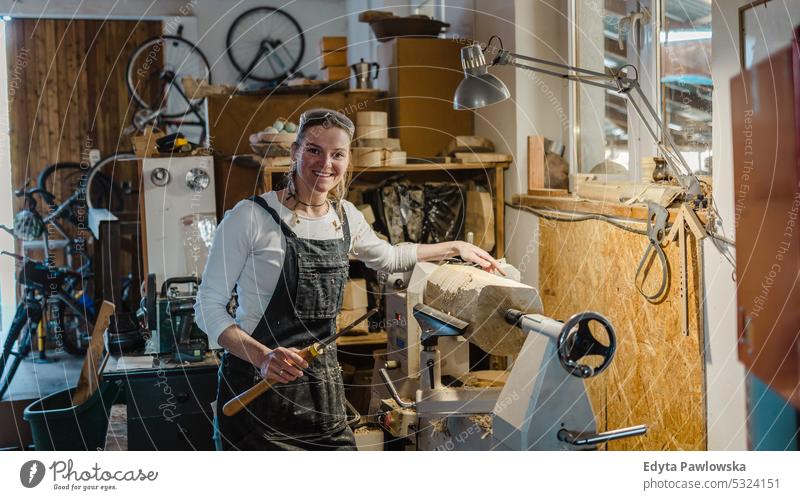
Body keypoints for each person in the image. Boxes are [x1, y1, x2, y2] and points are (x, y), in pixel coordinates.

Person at [195, 108, 502, 451]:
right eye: (314, 150)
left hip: (321, 396)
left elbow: (389, 256)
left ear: (347, 159)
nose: (325, 163)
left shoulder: (344, 218)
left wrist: (456, 246)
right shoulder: (251, 218)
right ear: (295, 152)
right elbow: (207, 308)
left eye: (337, 154)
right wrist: (263, 357)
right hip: (258, 396)